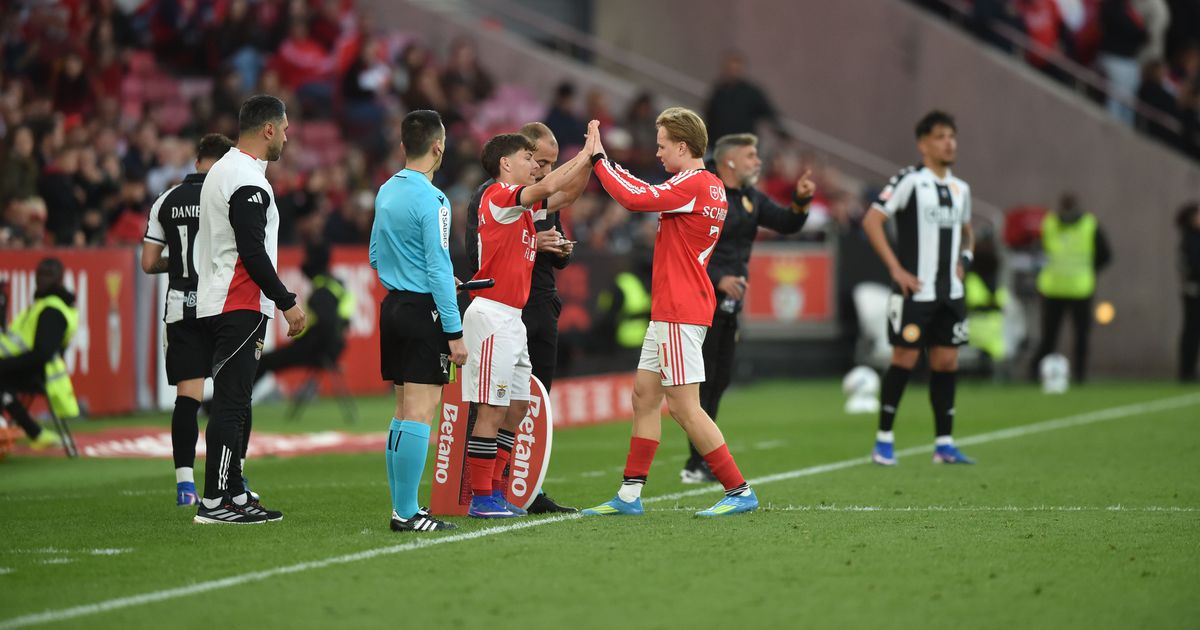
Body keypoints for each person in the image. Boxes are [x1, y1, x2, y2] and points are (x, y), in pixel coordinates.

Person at [581, 107, 760, 518]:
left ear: (683, 145)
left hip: (680, 310)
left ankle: (738, 489)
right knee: (644, 397)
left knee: (683, 406)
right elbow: (645, 189)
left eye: (662, 146)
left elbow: (634, 198)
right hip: (674, 309)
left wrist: (598, 161)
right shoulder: (707, 184)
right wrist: (609, 163)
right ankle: (629, 496)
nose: (658, 153)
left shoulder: (695, 184)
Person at [460, 125, 596, 518]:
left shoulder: (521, 209)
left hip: (514, 317)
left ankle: (498, 491)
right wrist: (585, 153)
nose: (535, 168)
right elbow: (548, 185)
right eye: (528, 160)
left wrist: (589, 163)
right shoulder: (498, 195)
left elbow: (563, 193)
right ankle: (481, 497)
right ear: (506, 164)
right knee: (491, 408)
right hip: (491, 314)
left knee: (518, 407)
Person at [192, 95, 305, 525]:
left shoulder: (226, 169)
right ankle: (216, 501)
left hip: (224, 297)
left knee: (237, 402)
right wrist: (287, 301)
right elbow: (252, 251)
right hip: (238, 299)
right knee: (232, 403)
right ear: (269, 129)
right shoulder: (245, 177)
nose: (289, 134)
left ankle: (235, 492)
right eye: (286, 127)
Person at [680, 133, 815, 483]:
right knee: (702, 384)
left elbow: (788, 223)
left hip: (729, 304)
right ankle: (697, 462)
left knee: (719, 381)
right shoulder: (706, 190)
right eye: (751, 155)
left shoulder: (750, 198)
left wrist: (800, 202)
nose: (758, 161)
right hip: (701, 300)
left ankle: (698, 461)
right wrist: (719, 276)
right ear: (730, 161)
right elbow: (684, 247)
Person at [371, 109, 467, 532]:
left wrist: (408, 274)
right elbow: (438, 267)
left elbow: (376, 256)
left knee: (401, 411)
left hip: (393, 307)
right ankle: (407, 512)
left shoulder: (386, 190)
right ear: (438, 146)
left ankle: (402, 506)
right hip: (423, 311)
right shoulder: (435, 199)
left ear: (403, 147)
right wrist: (454, 331)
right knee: (421, 413)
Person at [863, 110, 976, 467]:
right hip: (916, 292)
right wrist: (896, 268)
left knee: (947, 360)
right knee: (905, 358)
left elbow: (968, 230)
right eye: (941, 136)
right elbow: (872, 220)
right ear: (923, 143)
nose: (949, 142)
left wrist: (966, 259)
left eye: (952, 136)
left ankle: (944, 444)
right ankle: (883, 441)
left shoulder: (961, 189)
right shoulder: (909, 180)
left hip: (951, 293)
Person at [141, 132, 235, 507]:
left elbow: (148, 263)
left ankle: (184, 484)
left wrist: (176, 264)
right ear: (225, 162)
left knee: (187, 399)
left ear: (196, 162)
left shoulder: (166, 200)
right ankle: (233, 477)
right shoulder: (228, 196)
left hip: (182, 309)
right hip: (222, 308)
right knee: (232, 397)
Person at [1028, 193, 1112, 383]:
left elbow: (1105, 254)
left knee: (1065, 335)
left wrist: (1089, 270)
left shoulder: (1084, 225)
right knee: (1057, 336)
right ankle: (1048, 373)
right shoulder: (1053, 224)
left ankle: (1074, 374)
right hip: (1063, 288)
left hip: (1070, 288)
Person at [0, 258, 78, 450]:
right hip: (24, 366)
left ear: (59, 279)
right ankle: (34, 432)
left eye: (48, 275)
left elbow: (41, 354)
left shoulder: (52, 309)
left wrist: (4, 365)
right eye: (40, 275)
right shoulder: (42, 304)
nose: (42, 280)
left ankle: (34, 432)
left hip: (40, 372)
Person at [253, 241, 353, 387]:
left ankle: (230, 403)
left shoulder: (322, 292)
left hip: (317, 351)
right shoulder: (335, 285)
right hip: (331, 349)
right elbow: (343, 322)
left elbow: (327, 324)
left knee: (263, 361)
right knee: (267, 360)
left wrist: (321, 350)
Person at [704, 51, 789, 145]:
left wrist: (782, 131)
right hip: (719, 143)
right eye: (730, 68)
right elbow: (709, 115)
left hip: (742, 145)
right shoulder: (718, 91)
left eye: (735, 69)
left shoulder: (751, 92)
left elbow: (768, 112)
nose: (732, 72)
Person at [1178, 202, 1200, 381]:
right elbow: (1191, 266)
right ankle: (1186, 371)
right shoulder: (1189, 239)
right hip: (1194, 291)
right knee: (1192, 331)